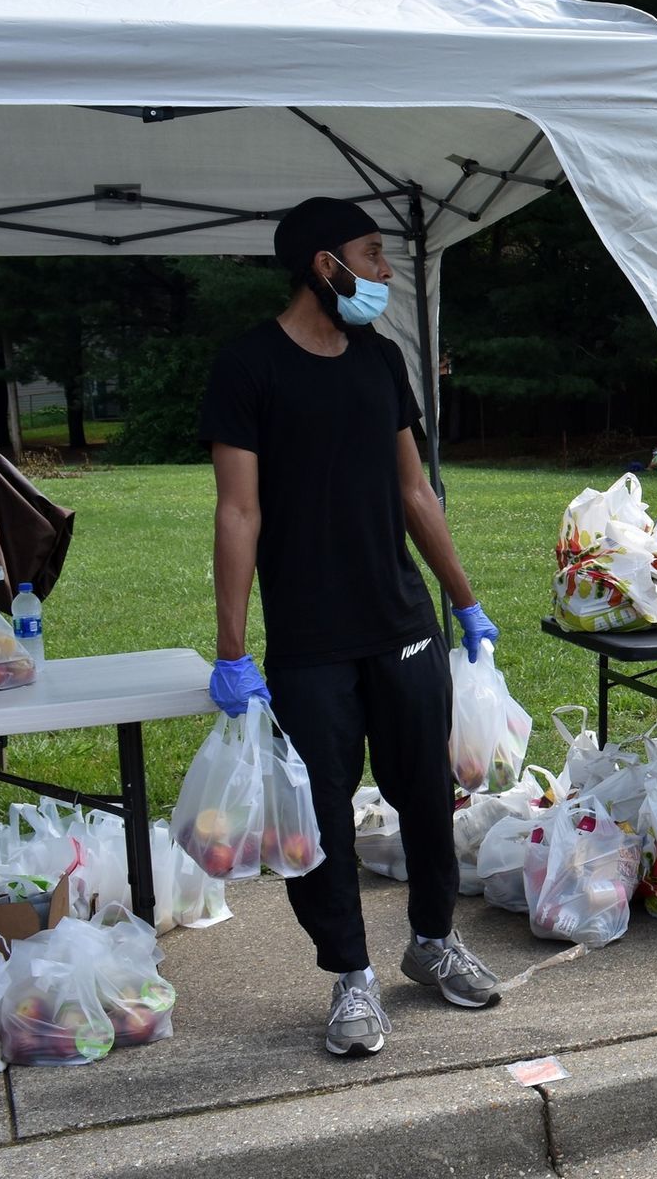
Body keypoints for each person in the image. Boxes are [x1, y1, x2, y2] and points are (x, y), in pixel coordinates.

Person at [199, 196, 504, 1058]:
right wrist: (233, 649)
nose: (384, 271)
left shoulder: (380, 359)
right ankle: (351, 976)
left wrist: (465, 601)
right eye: (372, 255)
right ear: (322, 265)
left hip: (402, 623)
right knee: (321, 821)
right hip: (309, 642)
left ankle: (433, 942)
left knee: (428, 797)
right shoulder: (248, 367)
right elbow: (237, 512)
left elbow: (415, 493)